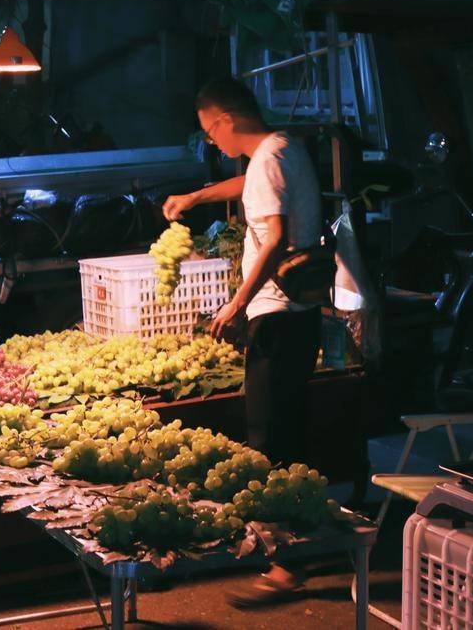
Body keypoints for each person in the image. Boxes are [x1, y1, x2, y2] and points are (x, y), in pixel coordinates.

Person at [163, 77, 322, 606]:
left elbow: (272, 236)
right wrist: (196, 196)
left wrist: (234, 305)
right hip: (301, 315)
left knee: (271, 437)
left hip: (275, 314)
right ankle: (302, 545)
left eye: (210, 130)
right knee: (290, 432)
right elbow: (254, 186)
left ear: (226, 121)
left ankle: (285, 566)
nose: (211, 141)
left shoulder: (266, 159)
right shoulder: (282, 148)